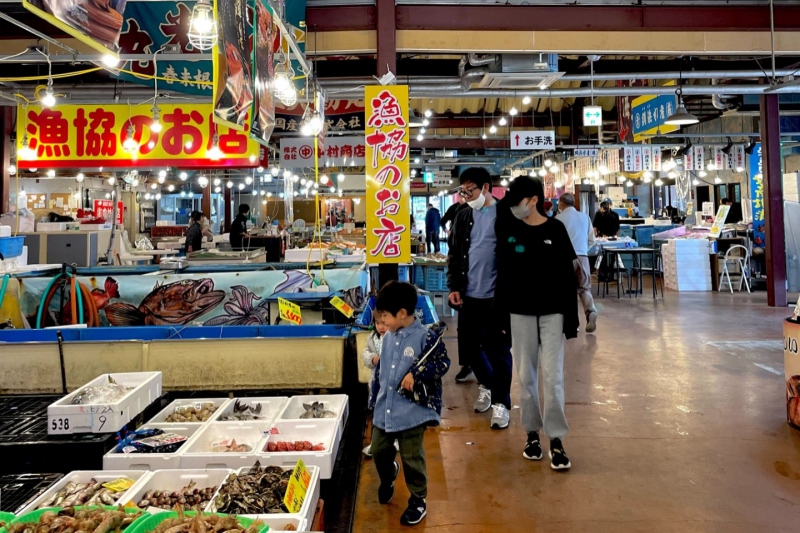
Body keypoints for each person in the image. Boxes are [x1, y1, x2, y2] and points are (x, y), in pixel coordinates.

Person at [495, 176, 579, 471]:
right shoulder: (509, 230)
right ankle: (532, 434)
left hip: (554, 311)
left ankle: (556, 439)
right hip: (519, 312)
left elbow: (570, 277)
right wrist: (501, 316)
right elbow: (502, 277)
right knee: (526, 377)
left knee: (553, 377)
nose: (513, 208)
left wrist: (573, 319)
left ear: (532, 200)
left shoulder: (556, 230)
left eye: (517, 201)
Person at [371, 281, 450, 526]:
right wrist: (374, 399)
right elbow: (381, 374)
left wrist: (417, 374)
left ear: (402, 314)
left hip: (412, 411)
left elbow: (442, 363)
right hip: (385, 408)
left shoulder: (425, 337)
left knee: (412, 456)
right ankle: (388, 475)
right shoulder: (387, 338)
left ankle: (418, 499)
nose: (382, 323)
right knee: (379, 450)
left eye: (385, 317)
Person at [446, 167, 514, 429]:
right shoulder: (463, 215)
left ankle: (501, 404)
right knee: (471, 350)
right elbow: (454, 253)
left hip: (496, 297)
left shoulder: (504, 215)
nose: (465, 195)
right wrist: (454, 285)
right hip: (468, 295)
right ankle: (487, 384)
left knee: (499, 351)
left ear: (486, 187)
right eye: (462, 190)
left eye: (470, 190)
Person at [556, 193, 599, 333]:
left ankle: (572, 324)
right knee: (584, 288)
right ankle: (590, 311)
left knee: (566, 291)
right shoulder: (584, 217)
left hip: (564, 259)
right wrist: (582, 250)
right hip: (582, 256)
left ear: (561, 203)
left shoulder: (558, 219)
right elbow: (592, 240)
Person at [362, 315, 395, 457]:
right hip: (376, 384)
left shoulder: (397, 337)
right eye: (377, 323)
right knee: (376, 412)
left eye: (384, 323)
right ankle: (376, 443)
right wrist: (372, 358)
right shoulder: (371, 338)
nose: (381, 327)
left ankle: (394, 439)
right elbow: (365, 354)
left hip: (393, 384)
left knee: (392, 411)